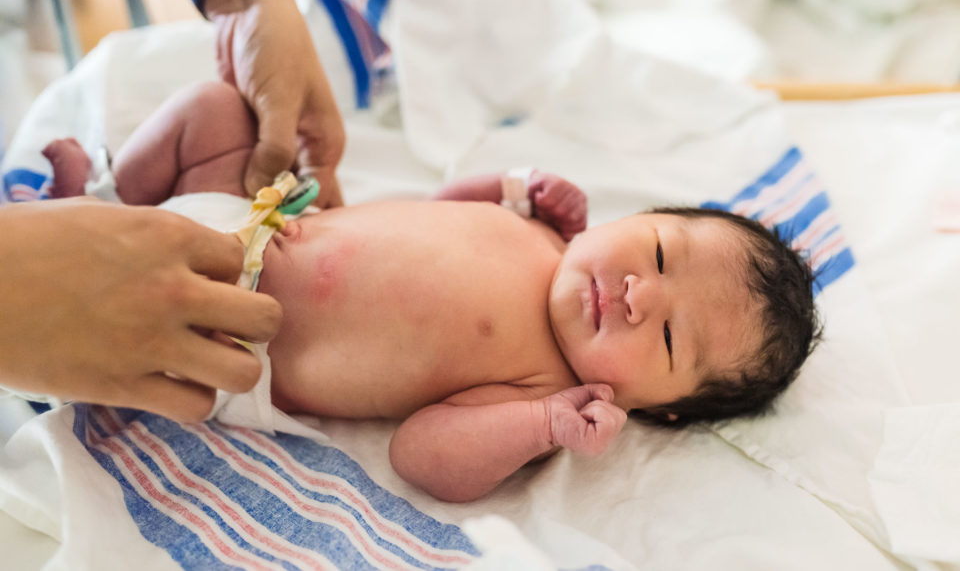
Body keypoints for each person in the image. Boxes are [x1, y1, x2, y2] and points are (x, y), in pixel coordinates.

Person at [41, 81, 821, 502]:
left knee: (112, 318)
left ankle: (75, 253)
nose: (637, 296)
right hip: (249, 215)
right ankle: (108, 200)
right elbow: (422, 218)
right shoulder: (537, 235)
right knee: (214, 111)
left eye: (670, 340)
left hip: (225, 335)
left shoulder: (541, 386)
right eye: (656, 250)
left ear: (660, 407)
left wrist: (542, 424)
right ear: (640, 215)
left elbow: (424, 457)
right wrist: (496, 188)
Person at [0, 0, 345, 420]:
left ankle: (103, 200)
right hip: (202, 329)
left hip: (220, 207)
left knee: (216, 109)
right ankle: (89, 209)